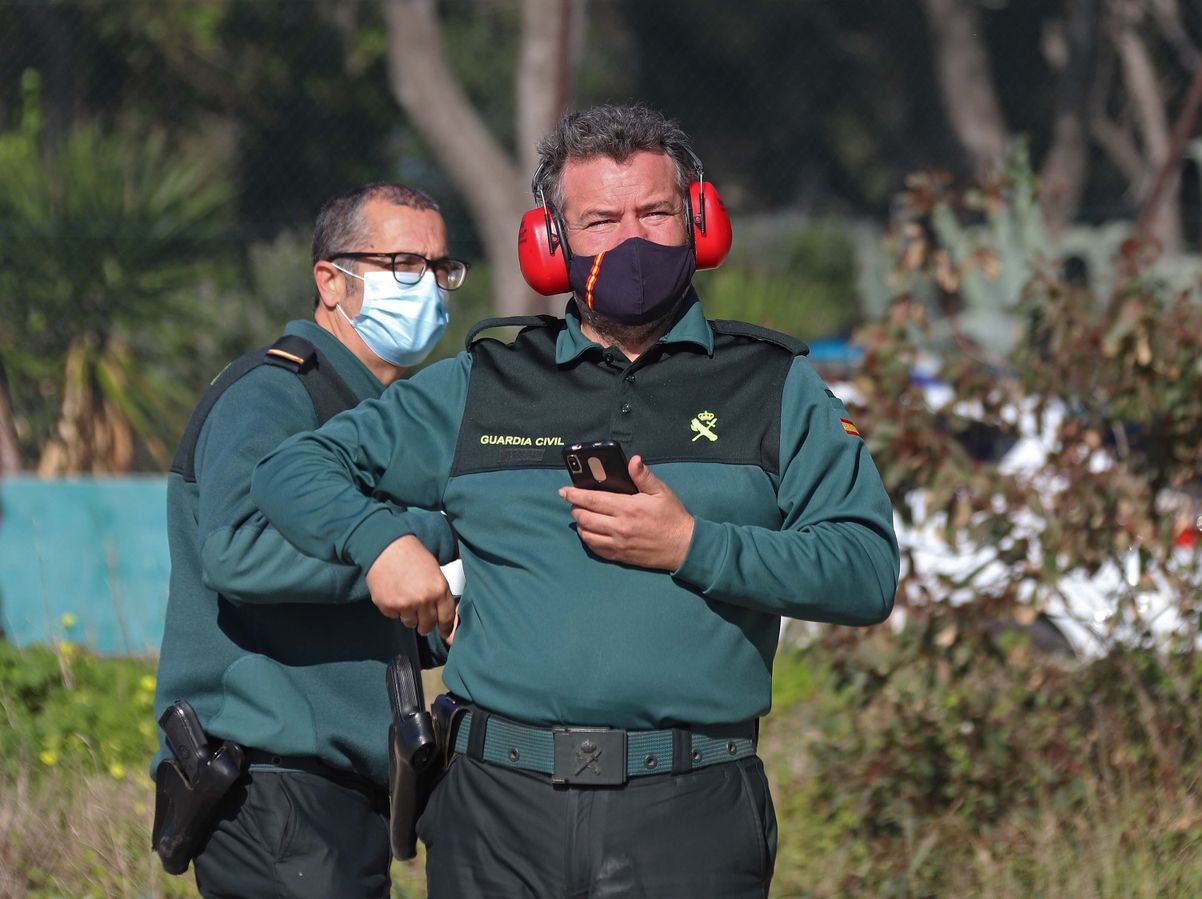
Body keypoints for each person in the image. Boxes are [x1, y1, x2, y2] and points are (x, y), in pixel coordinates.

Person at [251, 104, 900, 897]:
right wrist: (379, 542)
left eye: (655, 212)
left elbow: (865, 570)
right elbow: (294, 468)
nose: (632, 239)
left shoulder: (772, 385)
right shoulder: (484, 384)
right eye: (598, 219)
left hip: (690, 807)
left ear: (699, 221)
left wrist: (694, 544)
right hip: (495, 809)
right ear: (551, 244)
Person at [152, 182, 467, 897]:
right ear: (330, 278)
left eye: (441, 268)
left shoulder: (376, 413)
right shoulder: (276, 393)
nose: (429, 288)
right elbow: (235, 548)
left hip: (341, 793)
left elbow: (356, 603)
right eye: (402, 264)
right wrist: (414, 540)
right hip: (274, 787)